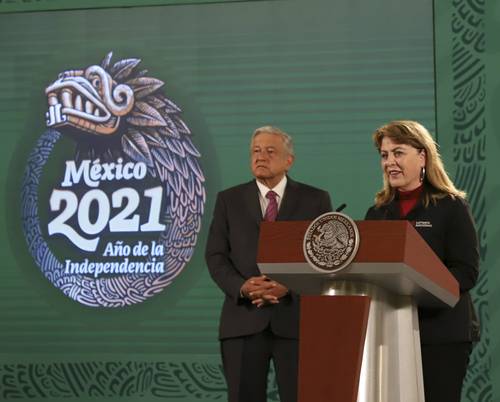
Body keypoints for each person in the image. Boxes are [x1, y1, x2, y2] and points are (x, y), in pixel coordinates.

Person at [205, 126, 332, 402]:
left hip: (296, 319)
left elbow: (327, 259)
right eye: (255, 151)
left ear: (289, 160)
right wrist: (242, 286)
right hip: (242, 321)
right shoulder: (229, 200)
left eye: (270, 151)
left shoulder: (315, 200)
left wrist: (291, 286)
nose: (261, 157)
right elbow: (215, 256)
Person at [365, 120, 480, 402]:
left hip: (441, 334)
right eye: (384, 155)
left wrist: (416, 291)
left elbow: (466, 272)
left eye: (398, 153)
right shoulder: (377, 213)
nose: (390, 162)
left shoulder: (451, 206)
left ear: (422, 156)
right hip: (390, 332)